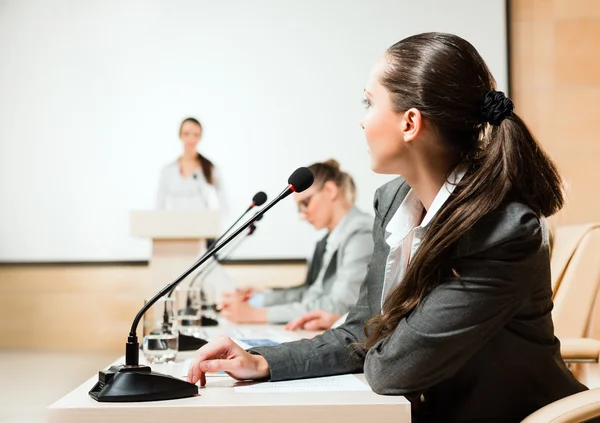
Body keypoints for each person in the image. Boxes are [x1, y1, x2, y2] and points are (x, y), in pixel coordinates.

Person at [187, 32, 588, 422]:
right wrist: (259, 360)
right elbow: (363, 330)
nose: (362, 122)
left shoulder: (500, 230)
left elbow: (392, 369)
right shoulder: (392, 202)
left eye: (369, 102)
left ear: (410, 123)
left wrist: (375, 338)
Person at [219, 159, 374, 325]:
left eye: (305, 204)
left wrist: (257, 314)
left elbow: (340, 305)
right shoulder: (329, 239)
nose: (302, 215)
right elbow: (310, 294)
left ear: (330, 190)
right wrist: (258, 300)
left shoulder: (361, 231)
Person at [156, 117, 227, 214]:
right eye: (186, 134)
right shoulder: (168, 171)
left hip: (202, 226)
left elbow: (224, 202)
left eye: (196, 135)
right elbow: (159, 206)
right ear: (180, 135)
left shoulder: (210, 168)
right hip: (175, 226)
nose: (191, 139)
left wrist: (219, 223)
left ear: (200, 137)